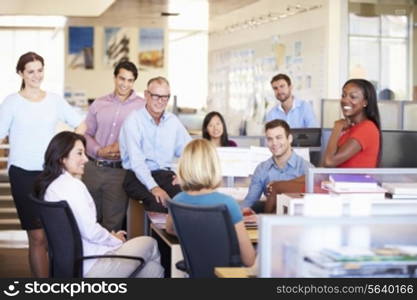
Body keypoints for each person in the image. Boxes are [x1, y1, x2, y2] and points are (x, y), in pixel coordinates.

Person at [0, 52, 85, 278]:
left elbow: (81, 125)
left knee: (55, 234)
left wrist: (69, 152)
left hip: (51, 174)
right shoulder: (11, 102)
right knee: (37, 236)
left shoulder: (55, 100)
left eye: (40, 70)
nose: (36, 76)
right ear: (21, 73)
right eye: (31, 71)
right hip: (22, 175)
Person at [34, 131, 164, 278]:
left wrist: (109, 236)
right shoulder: (73, 186)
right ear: (62, 158)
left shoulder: (51, 186)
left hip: (72, 263)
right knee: (151, 243)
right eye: (79, 153)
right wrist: (115, 240)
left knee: (152, 270)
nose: (85, 159)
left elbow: (83, 228)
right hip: (93, 265)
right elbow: (90, 231)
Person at [165, 139, 256, 267]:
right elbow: (249, 260)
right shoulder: (228, 204)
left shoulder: (177, 200)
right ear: (214, 166)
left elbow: (170, 229)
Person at [83, 61, 145, 231]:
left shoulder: (141, 107)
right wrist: (99, 150)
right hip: (92, 169)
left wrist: (124, 146)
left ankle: (110, 258)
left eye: (130, 80)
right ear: (115, 78)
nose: (125, 84)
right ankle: (90, 258)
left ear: (134, 82)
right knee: (88, 221)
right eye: (122, 79)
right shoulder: (99, 103)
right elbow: (86, 133)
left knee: (113, 225)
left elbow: (144, 138)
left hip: (119, 173)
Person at [120, 76, 192, 212]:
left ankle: (180, 233)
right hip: (136, 176)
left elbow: (191, 151)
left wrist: (184, 174)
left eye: (165, 97)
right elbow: (137, 162)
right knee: (159, 203)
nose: (160, 101)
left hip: (164, 174)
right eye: (156, 96)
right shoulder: (133, 121)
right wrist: (154, 188)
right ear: (146, 95)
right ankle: (158, 234)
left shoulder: (173, 121)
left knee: (186, 199)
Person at [241, 119, 311, 213]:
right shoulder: (262, 169)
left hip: (298, 220)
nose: (274, 143)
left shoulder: (307, 168)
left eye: (279, 137)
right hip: (270, 221)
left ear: (289, 138)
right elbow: (249, 202)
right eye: (270, 139)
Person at [322, 79, 381, 168]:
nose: (345, 100)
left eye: (353, 97)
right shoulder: (351, 128)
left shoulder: (367, 128)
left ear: (365, 102)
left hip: (354, 182)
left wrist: (337, 128)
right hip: (339, 181)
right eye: (343, 95)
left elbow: (329, 161)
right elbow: (326, 164)